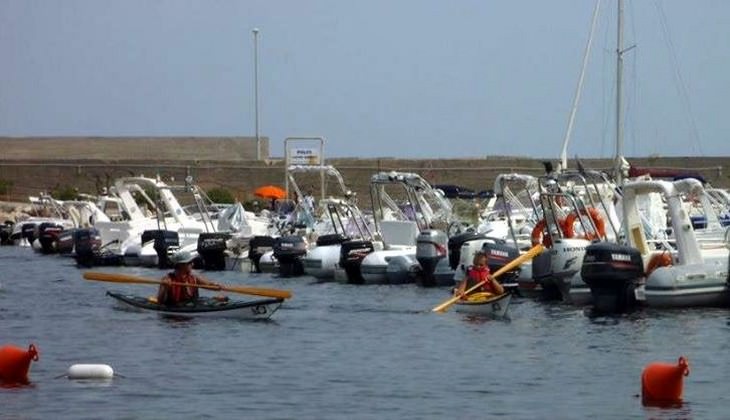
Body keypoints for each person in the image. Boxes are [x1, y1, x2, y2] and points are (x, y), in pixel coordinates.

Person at [157, 250, 224, 306]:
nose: (193, 264)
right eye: (190, 263)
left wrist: (216, 286)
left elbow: (208, 285)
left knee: (222, 298)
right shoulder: (167, 279)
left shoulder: (194, 276)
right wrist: (165, 288)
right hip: (175, 308)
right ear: (181, 265)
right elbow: (160, 301)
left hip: (192, 304)